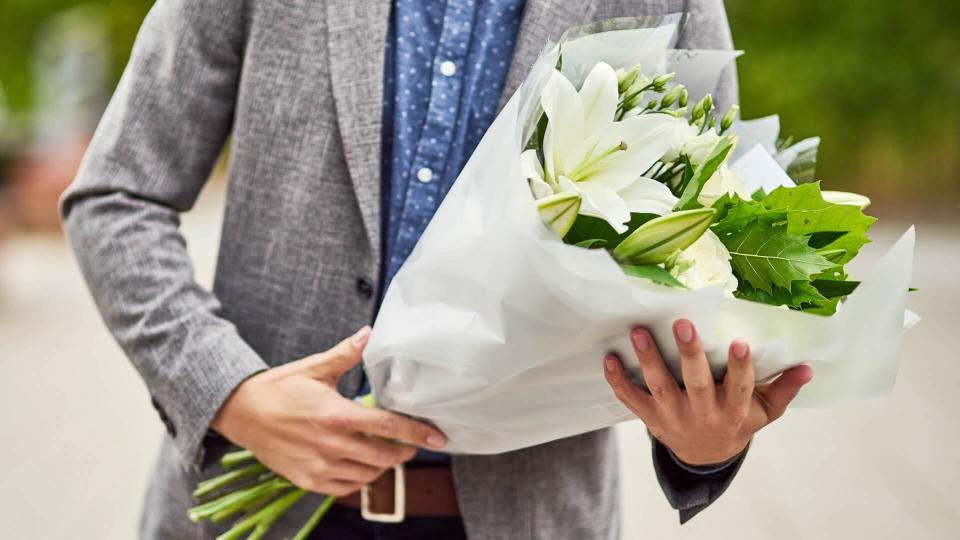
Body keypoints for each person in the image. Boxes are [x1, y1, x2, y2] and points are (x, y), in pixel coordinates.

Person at [61, 0, 812, 538]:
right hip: (249, 514)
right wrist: (231, 392)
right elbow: (115, 196)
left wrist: (702, 448)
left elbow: (702, 283)